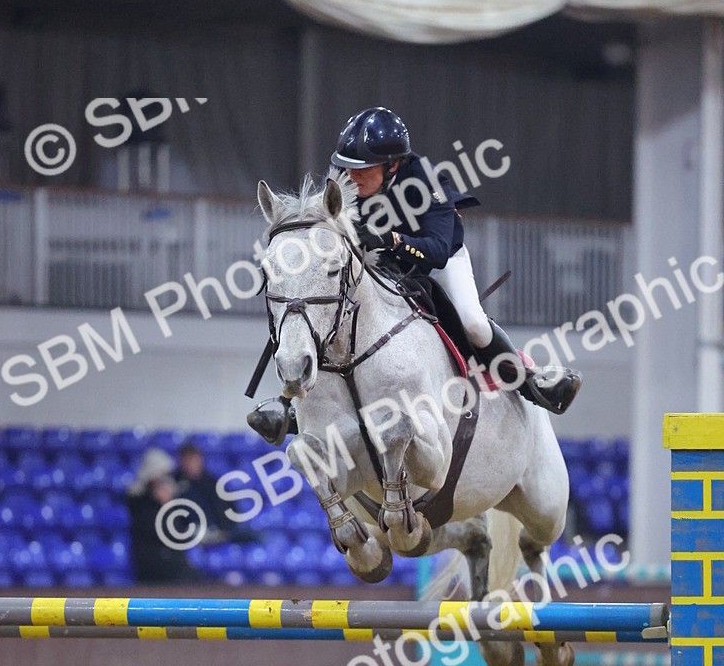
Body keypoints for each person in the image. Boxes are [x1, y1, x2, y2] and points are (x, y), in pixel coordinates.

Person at [248, 106, 581, 445]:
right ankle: (292, 400)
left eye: (363, 169)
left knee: (473, 323)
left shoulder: (426, 182)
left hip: (439, 259)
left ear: (392, 164)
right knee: (322, 307)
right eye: (347, 168)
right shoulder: (347, 182)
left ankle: (529, 379)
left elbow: (436, 250)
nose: (352, 177)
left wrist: (391, 239)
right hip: (379, 264)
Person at [126, 447, 200, 583]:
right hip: (155, 569)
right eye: (163, 478)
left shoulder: (170, 503)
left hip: (174, 565)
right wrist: (167, 506)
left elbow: (184, 533)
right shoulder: (141, 505)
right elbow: (171, 534)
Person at [173, 440, 231, 538]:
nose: (190, 464)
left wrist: (224, 530)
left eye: (193, 459)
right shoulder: (175, 483)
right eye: (187, 459)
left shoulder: (212, 483)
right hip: (191, 533)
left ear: (200, 459)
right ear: (181, 461)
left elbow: (227, 509)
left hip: (218, 530)